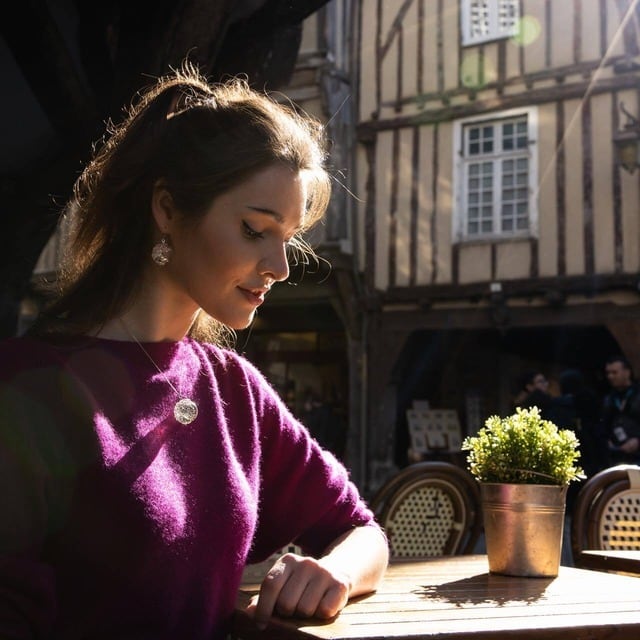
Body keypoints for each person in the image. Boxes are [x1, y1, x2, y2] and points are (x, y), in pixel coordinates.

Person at [0, 63, 388, 640]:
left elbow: (362, 532)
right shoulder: (25, 385)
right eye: (255, 230)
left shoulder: (234, 388)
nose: (280, 268)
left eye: (288, 240)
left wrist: (331, 572)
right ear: (167, 210)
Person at [600, 354, 640, 465]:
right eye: (608, 373)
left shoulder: (637, 394)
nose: (610, 376)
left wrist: (638, 441)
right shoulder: (609, 399)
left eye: (614, 372)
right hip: (618, 457)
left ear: (627, 372)